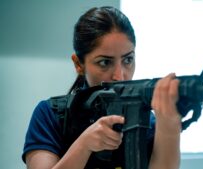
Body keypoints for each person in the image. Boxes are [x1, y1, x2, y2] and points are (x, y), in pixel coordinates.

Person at [22, 6, 181, 169]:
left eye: (128, 60)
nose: (120, 76)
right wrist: (84, 145)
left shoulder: (145, 120)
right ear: (78, 64)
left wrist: (169, 127)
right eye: (105, 62)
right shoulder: (50, 115)